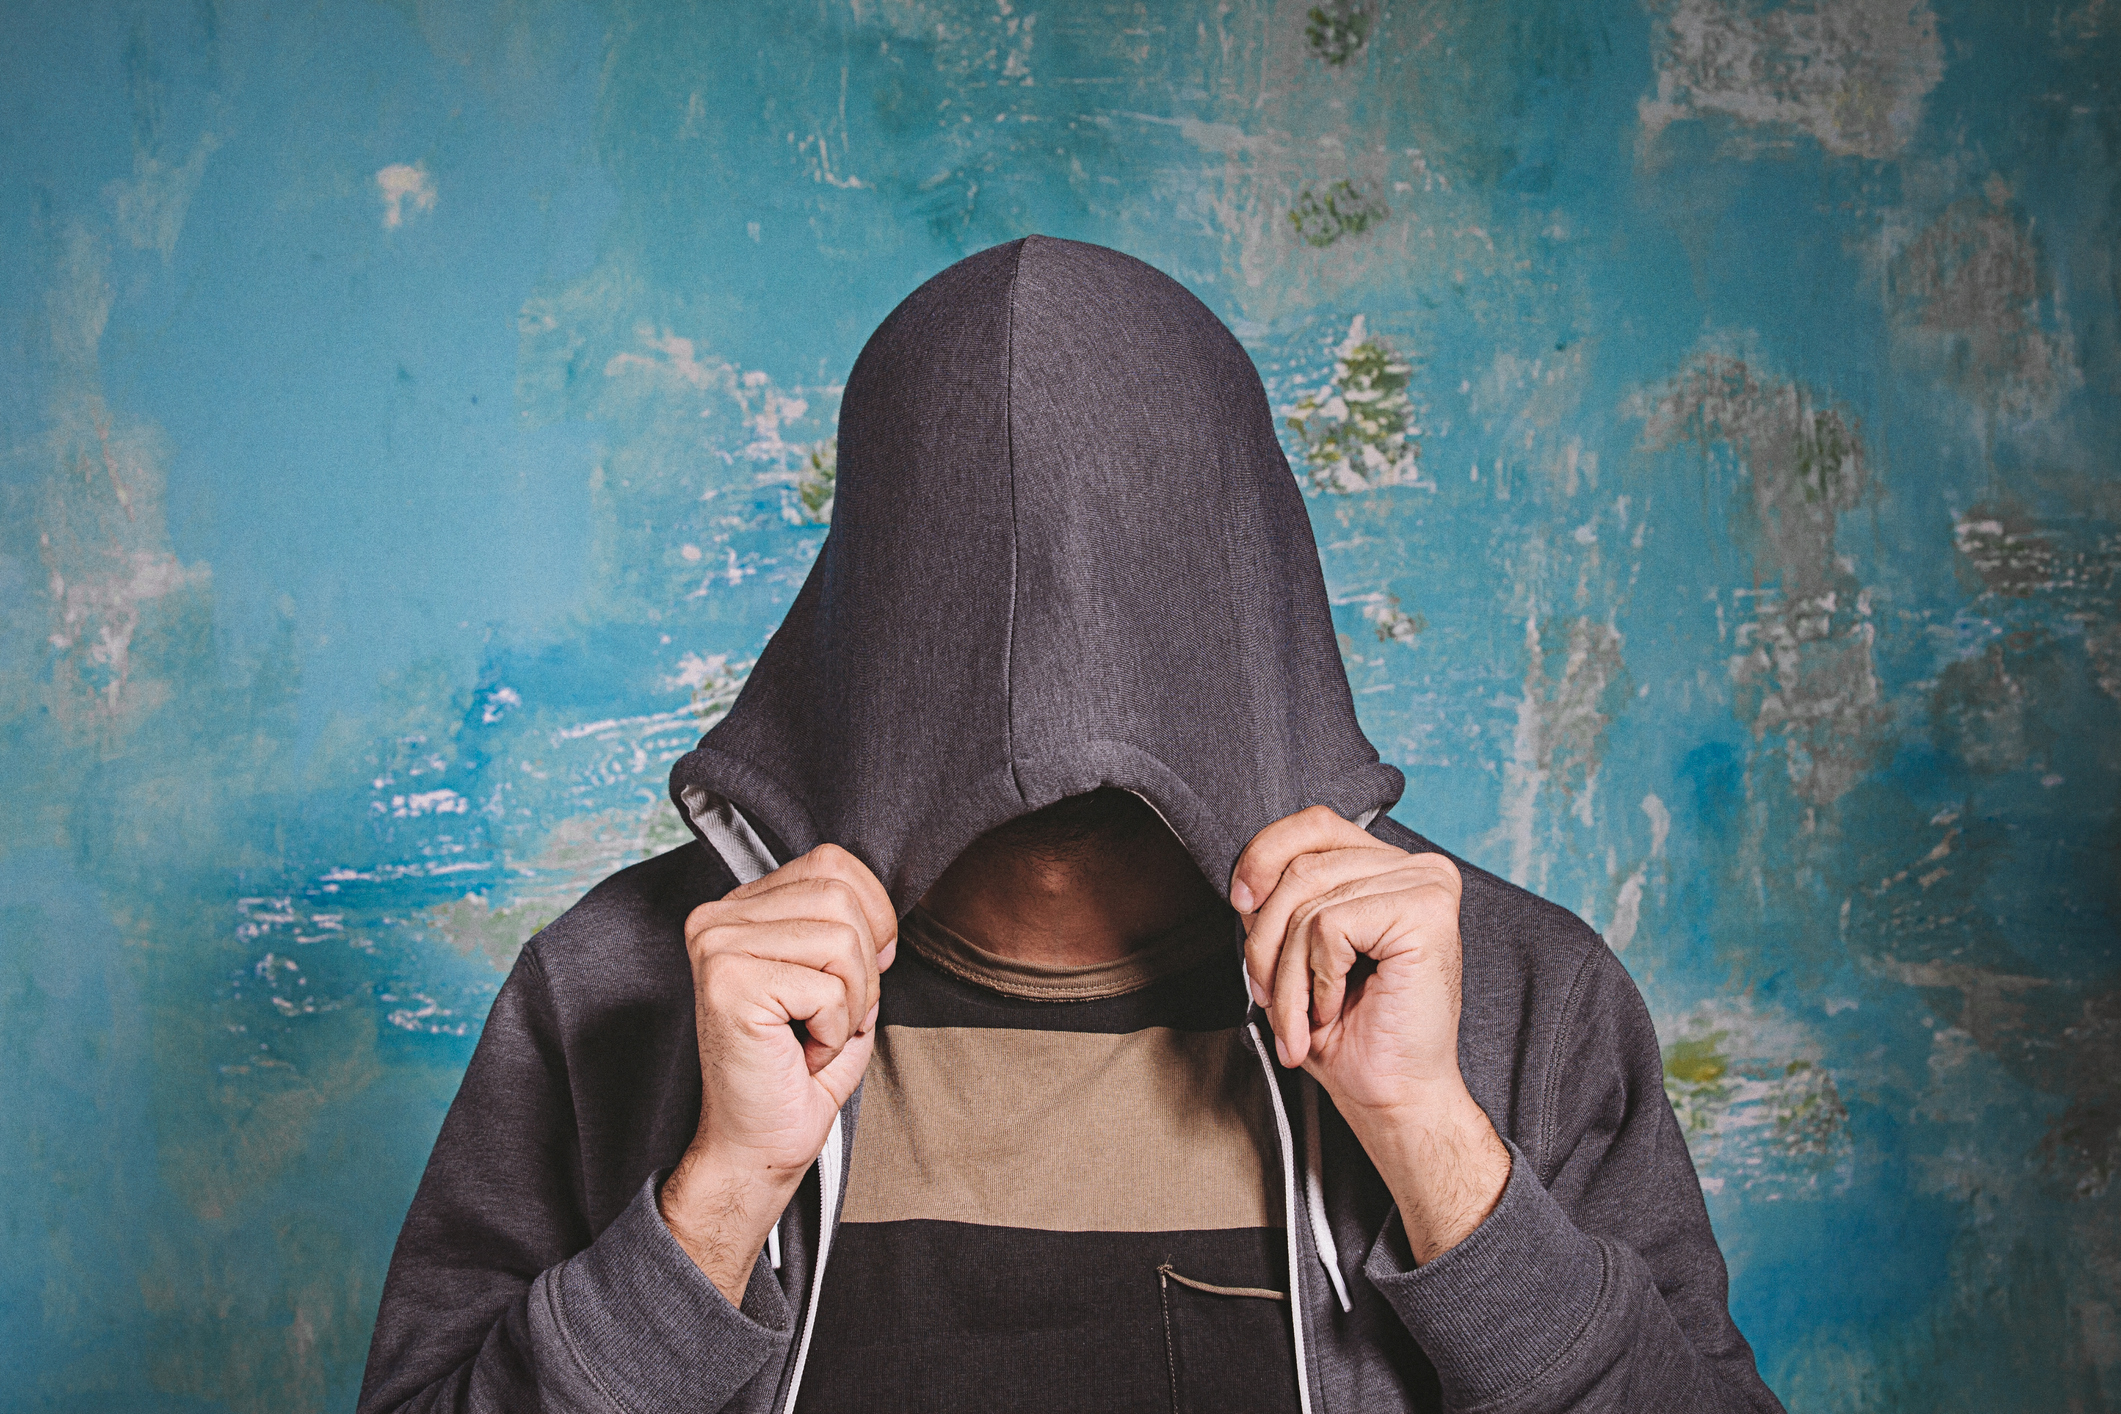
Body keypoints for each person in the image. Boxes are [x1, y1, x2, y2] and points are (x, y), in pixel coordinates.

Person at [358, 237, 1786, 1414]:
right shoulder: (623, 989)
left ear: (1240, 562)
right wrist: (719, 1190)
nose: (1053, 621)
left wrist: (1427, 1137)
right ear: (864, 577)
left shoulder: (1512, 995)